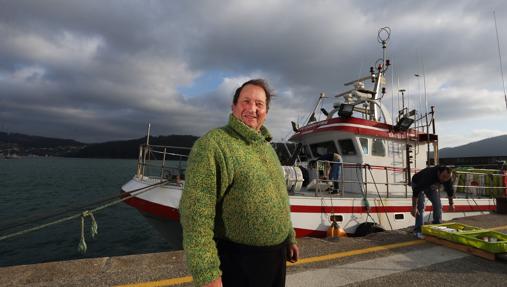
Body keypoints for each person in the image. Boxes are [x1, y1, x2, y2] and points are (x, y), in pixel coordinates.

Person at [179, 79, 299, 287]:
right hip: (238, 263)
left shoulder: (268, 149)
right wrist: (207, 274)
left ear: (266, 112)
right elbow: (195, 216)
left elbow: (280, 197)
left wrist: (290, 237)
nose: (252, 109)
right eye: (246, 101)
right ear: (234, 106)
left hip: (276, 259)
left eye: (259, 104)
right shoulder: (214, 145)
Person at [411, 165, 455, 239]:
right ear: (438, 173)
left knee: (438, 204)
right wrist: (414, 207)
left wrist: (451, 204)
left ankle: (437, 226)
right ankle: (418, 230)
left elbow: (450, 191)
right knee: (420, 206)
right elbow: (416, 192)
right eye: (443, 176)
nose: (445, 179)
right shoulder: (429, 176)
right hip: (418, 183)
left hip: (431, 186)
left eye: (447, 177)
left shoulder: (447, 178)